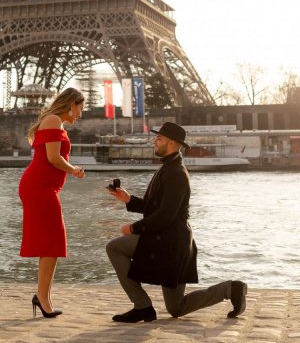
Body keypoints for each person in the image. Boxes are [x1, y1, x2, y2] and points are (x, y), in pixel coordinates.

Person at [105, 121, 248, 322]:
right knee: (176, 308)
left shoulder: (176, 173)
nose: (155, 141)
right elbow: (157, 207)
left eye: (159, 138)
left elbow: (166, 215)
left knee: (114, 247)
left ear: (171, 143)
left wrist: (134, 227)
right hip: (171, 241)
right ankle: (230, 289)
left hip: (170, 243)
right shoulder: (169, 168)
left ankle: (142, 306)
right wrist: (129, 199)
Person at [17, 87, 86, 318]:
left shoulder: (56, 122)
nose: (80, 114)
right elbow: (54, 158)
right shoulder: (54, 119)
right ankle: (43, 297)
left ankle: (43, 296)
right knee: (53, 242)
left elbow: (55, 158)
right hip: (39, 187)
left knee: (51, 242)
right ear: (71, 104)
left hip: (44, 187)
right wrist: (74, 170)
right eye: (80, 108)